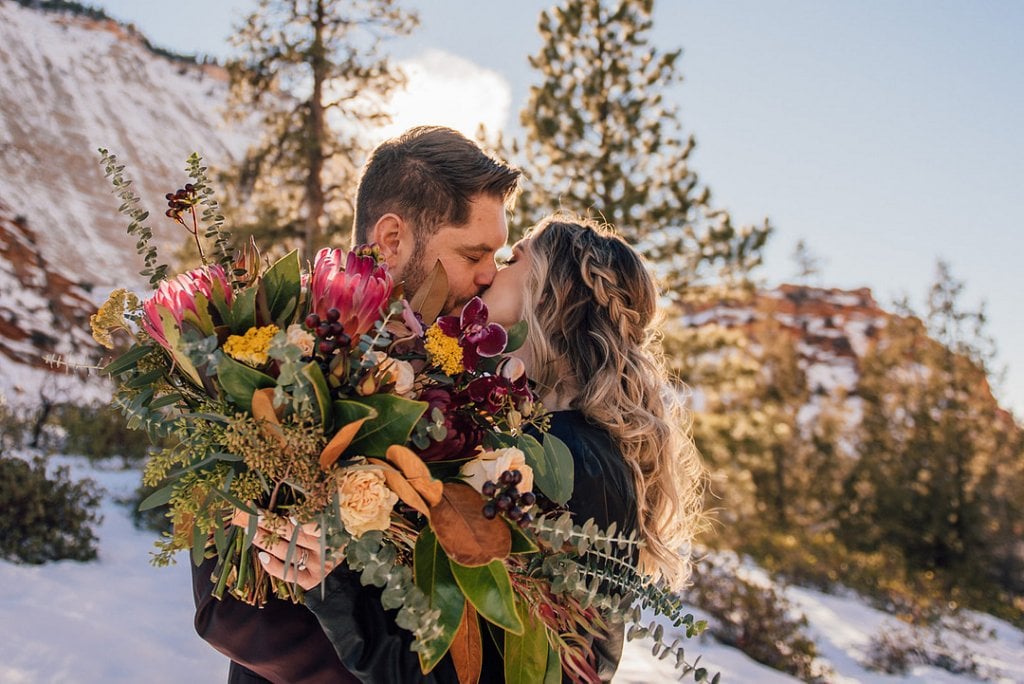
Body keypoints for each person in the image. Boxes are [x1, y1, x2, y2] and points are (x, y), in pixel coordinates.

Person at [252, 215, 705, 682]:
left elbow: (472, 673)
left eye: (512, 259)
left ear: (553, 291)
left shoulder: (573, 458)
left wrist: (336, 588)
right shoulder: (548, 436)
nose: (489, 273)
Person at [191, 125, 521, 684]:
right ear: (392, 238)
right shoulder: (267, 351)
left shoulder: (470, 382)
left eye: (497, 254)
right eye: (474, 253)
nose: (490, 274)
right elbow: (228, 613)